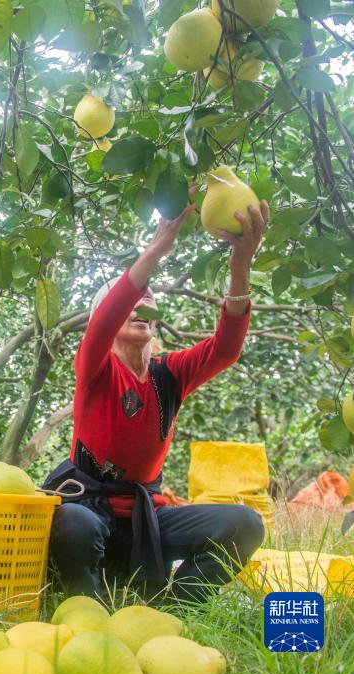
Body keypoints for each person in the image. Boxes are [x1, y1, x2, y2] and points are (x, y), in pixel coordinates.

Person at [44, 190, 269, 604]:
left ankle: (172, 607)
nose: (142, 301)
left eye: (149, 300)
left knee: (245, 524)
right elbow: (107, 316)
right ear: (107, 320)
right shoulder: (96, 366)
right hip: (90, 511)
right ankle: (88, 609)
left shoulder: (170, 374)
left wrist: (240, 264)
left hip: (149, 518)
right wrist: (158, 248)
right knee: (71, 522)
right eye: (133, 299)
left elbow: (225, 349)